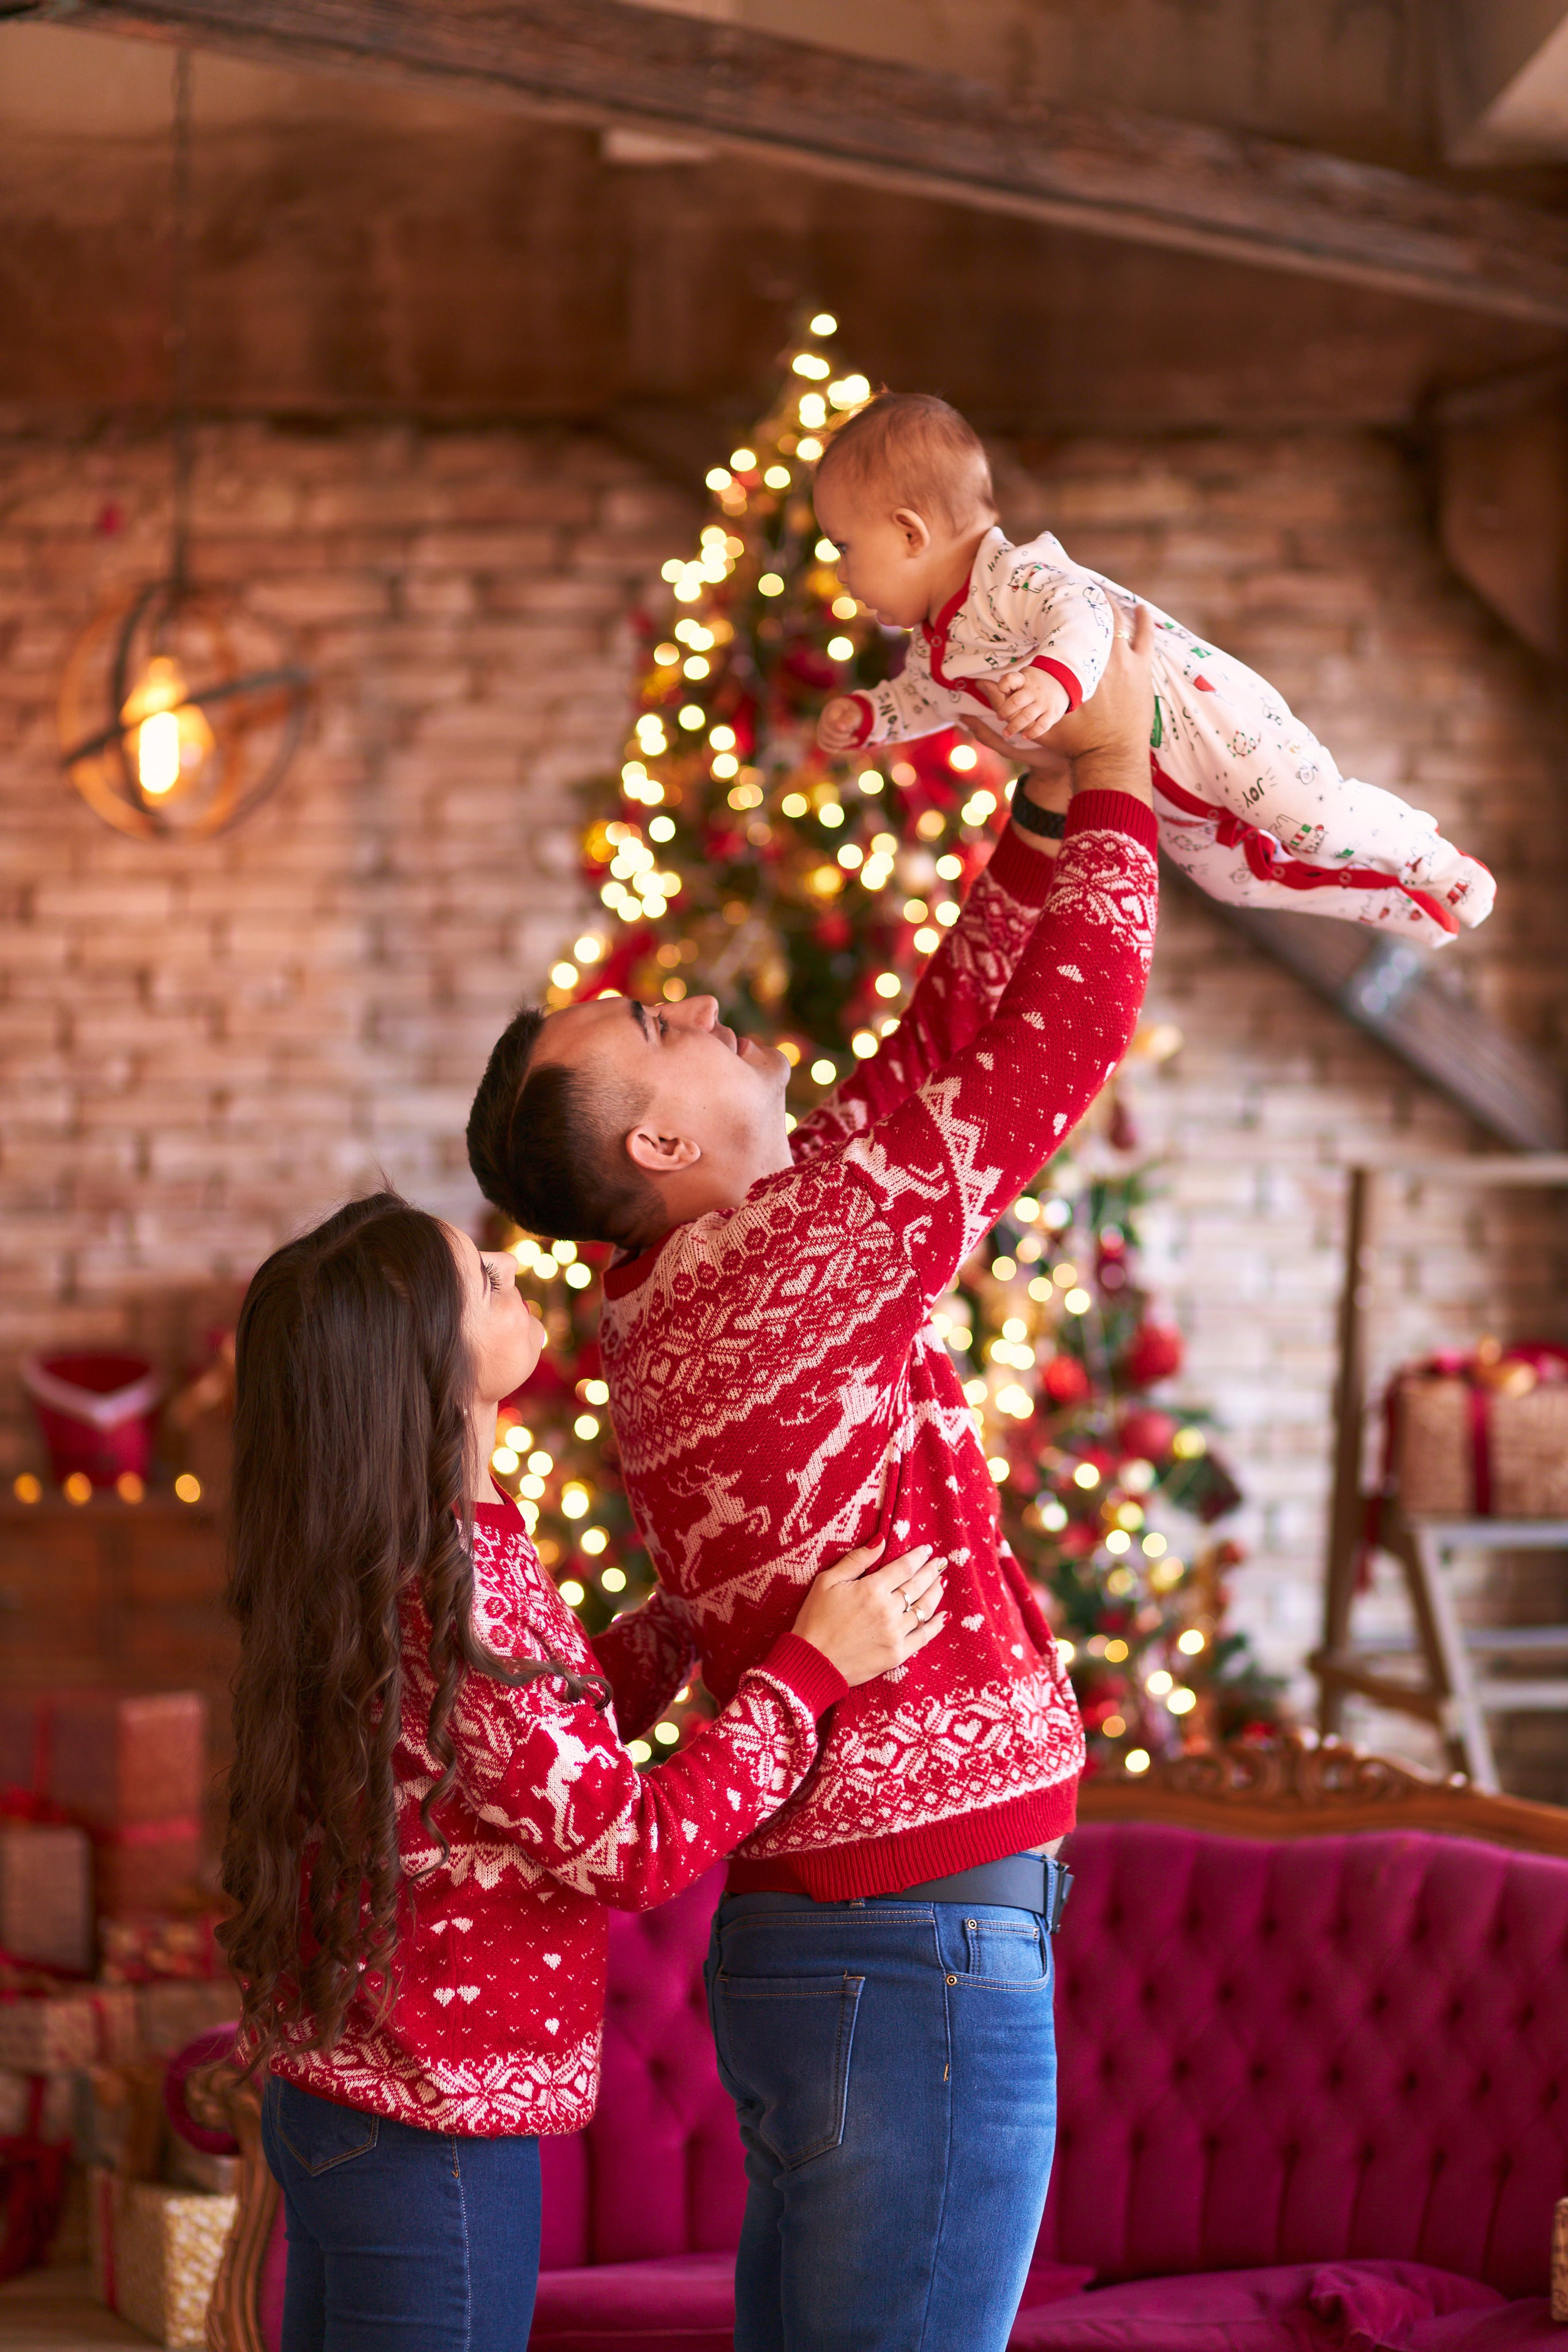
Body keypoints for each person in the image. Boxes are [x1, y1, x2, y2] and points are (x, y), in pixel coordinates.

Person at [464, 613, 1159, 2351]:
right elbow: (1048, 1054)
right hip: (908, 1953)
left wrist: (1046, 806)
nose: (689, 995)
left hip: (844, 1952)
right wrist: (1129, 771)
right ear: (657, 1148)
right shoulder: (803, 1259)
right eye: (652, 1020)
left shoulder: (679, 1294)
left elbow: (931, 1045)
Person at [218, 1189, 944, 2352]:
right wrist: (808, 1673)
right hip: (431, 2137)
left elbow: (530, 1741)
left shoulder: (423, 1555)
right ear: (426, 1368)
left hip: (360, 2103)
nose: (514, 1266)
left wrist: (686, 1618)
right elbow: (632, 1846)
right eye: (483, 1280)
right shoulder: (452, 1587)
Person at [813, 391, 1491, 947]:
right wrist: (873, 714)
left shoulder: (1015, 575)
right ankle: (1389, 904)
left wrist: (1055, 678)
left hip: (1205, 720)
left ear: (909, 532)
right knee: (1232, 880)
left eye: (844, 548)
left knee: (1308, 818)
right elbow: (920, 697)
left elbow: (1084, 615)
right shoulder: (936, 648)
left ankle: (1428, 858)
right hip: (1158, 785)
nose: (843, 575)